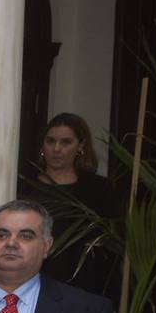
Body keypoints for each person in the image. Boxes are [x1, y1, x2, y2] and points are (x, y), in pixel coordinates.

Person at [20, 113, 118, 293]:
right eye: (50, 141)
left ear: (80, 146)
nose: (57, 149)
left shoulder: (97, 189)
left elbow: (111, 241)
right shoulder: (23, 184)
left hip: (80, 283)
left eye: (66, 142)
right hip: (27, 280)